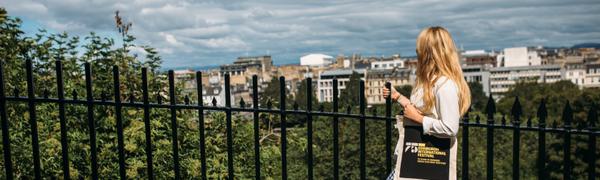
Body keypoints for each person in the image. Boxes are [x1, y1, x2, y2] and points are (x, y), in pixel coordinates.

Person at [383, 26, 471, 180]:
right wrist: (397, 97)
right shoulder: (431, 81)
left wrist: (419, 119)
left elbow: (450, 128)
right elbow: (422, 110)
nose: (417, 54)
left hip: (426, 165)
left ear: (429, 53)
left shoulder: (444, 85)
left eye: (420, 49)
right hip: (415, 162)